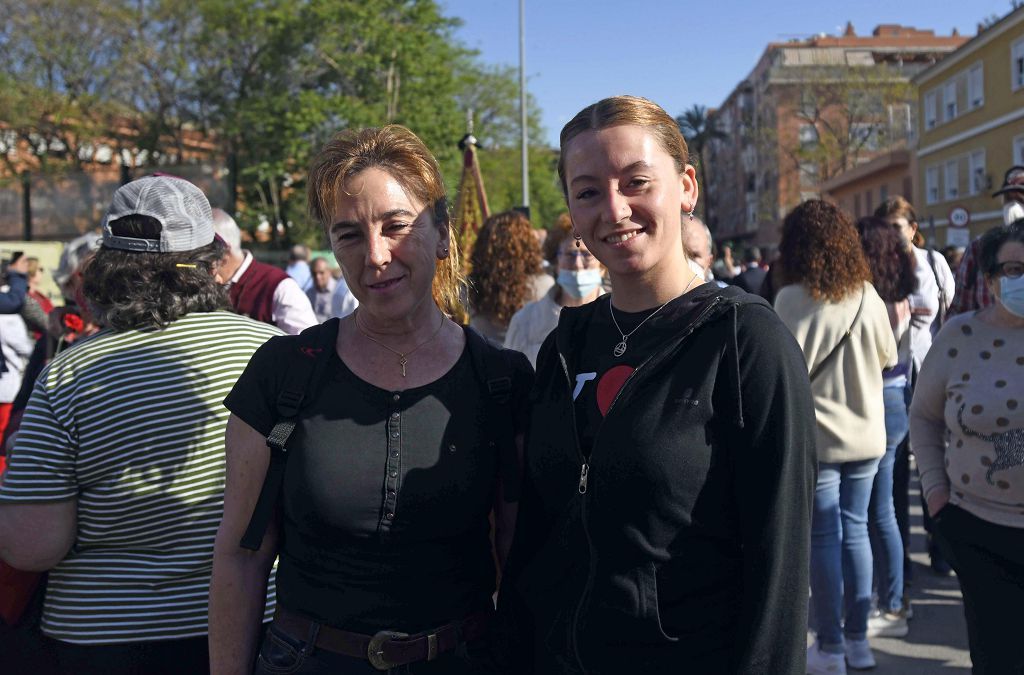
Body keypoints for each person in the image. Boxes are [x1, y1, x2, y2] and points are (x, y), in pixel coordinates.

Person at [499, 95, 816, 674]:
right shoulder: (564, 346)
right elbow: (537, 539)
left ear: (686, 187)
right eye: (589, 191)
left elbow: (780, 567)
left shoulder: (746, 340)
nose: (614, 210)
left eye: (636, 182)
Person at [209, 125, 534, 675]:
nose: (377, 255)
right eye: (350, 235)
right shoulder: (282, 373)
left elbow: (519, 559)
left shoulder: (501, 380)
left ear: (443, 232)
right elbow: (242, 557)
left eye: (396, 226)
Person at [0, 175, 281, 674]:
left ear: (108, 268)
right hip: (260, 620)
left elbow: (32, 545)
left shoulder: (68, 373)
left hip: (103, 638)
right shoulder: (271, 351)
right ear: (213, 262)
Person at [774, 200, 897, 674]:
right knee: (857, 531)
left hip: (819, 441)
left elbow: (783, 373)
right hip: (867, 436)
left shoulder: (790, 300)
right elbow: (888, 359)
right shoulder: (868, 295)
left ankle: (829, 647)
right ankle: (858, 641)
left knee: (824, 539)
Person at [909, 219, 1024, 674]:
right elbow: (924, 416)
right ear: (992, 279)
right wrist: (937, 493)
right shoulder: (958, 337)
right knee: (997, 656)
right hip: (977, 528)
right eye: (1013, 269)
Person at [875, 195, 956, 576]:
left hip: (932, 377)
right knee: (895, 475)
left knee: (932, 465)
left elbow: (949, 311)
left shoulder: (934, 264)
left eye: (898, 226)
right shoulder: (876, 269)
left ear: (913, 228)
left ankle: (939, 547)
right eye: (886, 227)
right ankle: (901, 555)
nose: (892, 234)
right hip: (890, 381)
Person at [855, 217, 918, 638]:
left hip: (876, 400)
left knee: (874, 514)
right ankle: (893, 601)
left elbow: (879, 358)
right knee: (884, 512)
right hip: (896, 401)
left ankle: (892, 605)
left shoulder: (873, 300)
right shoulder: (903, 297)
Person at [504, 227, 604, 367]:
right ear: (556, 263)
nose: (577, 264)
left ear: (603, 266)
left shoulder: (619, 319)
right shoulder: (525, 321)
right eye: (570, 254)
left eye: (587, 255)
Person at [212, 209, 317, 335]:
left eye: (202, 251)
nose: (196, 259)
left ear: (225, 252)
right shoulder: (201, 284)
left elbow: (310, 345)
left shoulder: (279, 286)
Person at [949, 166, 1024, 317]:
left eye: (1021, 198)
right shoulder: (980, 246)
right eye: (1009, 199)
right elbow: (961, 307)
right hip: (991, 338)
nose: (1013, 206)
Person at [469, 211, 553, 344]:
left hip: (482, 359)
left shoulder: (469, 287)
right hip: (527, 361)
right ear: (528, 244)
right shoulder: (543, 285)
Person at [306, 256, 337, 323]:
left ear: (329, 272)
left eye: (321, 272)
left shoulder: (337, 291)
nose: (317, 277)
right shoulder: (309, 293)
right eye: (314, 273)